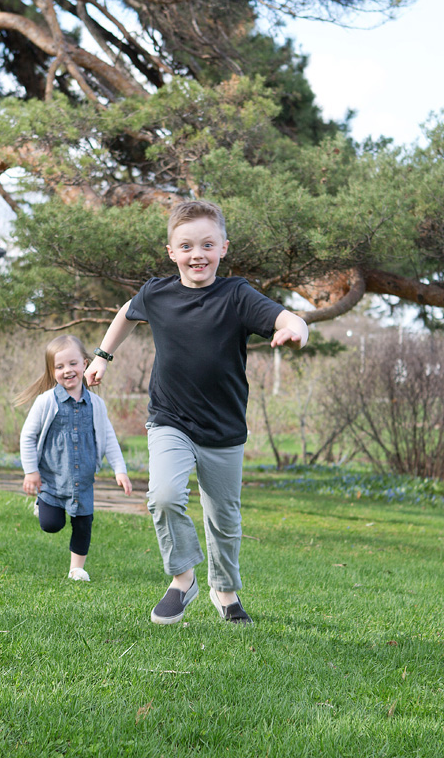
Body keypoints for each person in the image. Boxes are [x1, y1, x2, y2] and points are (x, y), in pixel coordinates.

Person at [84, 199, 308, 625]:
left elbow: (285, 317)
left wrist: (295, 328)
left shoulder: (237, 295)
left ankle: (225, 593)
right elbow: (126, 314)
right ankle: (182, 578)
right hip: (170, 419)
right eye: (186, 246)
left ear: (223, 247)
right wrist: (101, 356)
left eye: (207, 244)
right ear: (172, 252)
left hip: (223, 428)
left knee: (224, 518)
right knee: (164, 496)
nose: (197, 254)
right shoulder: (157, 293)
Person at [17, 334, 133, 581]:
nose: (67, 370)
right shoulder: (46, 402)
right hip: (51, 480)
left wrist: (119, 470)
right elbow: (27, 436)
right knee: (52, 525)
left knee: (83, 523)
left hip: (84, 480)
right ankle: (43, 505)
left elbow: (109, 438)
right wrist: (31, 471)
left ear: (85, 364)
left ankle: (76, 569)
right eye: (59, 367)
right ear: (52, 371)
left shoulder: (96, 405)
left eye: (72, 363)